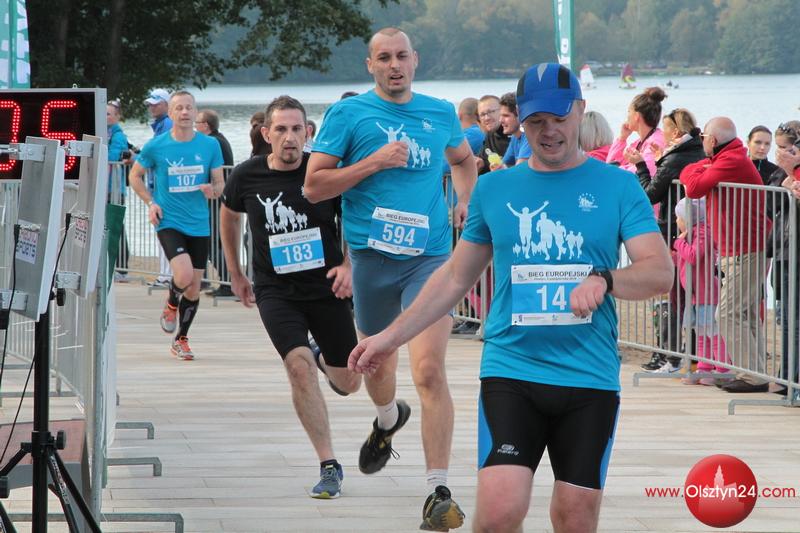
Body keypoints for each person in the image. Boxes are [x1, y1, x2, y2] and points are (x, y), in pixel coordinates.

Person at [347, 62, 673, 533]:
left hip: (589, 376)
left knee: (574, 517)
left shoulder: (617, 185)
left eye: (559, 118)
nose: (549, 131)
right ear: (521, 120)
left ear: (580, 111)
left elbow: (659, 272)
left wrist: (605, 279)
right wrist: (388, 338)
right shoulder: (495, 188)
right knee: (498, 515)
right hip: (512, 370)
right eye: (536, 121)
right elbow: (454, 277)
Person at [304, 27, 477, 531]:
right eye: (384, 57)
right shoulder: (348, 115)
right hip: (372, 261)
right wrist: (373, 162)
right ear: (371, 65)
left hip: (429, 259)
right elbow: (313, 187)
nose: (394, 65)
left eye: (402, 56)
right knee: (376, 367)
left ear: (415, 60)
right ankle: (387, 419)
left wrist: (466, 200)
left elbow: (463, 160)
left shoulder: (440, 113)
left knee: (429, 371)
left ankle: (438, 491)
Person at [220, 95, 364, 499]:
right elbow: (228, 215)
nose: (289, 137)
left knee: (349, 382)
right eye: (281, 129)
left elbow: (356, 218)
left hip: (326, 288)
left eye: (297, 129)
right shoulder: (246, 176)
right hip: (275, 290)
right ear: (266, 134)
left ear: (308, 132)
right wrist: (235, 272)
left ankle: (320, 355)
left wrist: (349, 265)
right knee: (297, 367)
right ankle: (329, 465)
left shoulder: (324, 173)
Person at [128, 90, 225, 361]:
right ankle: (171, 304)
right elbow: (135, 176)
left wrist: (213, 190)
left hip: (199, 224)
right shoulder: (157, 146)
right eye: (179, 108)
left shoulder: (210, 146)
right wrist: (151, 203)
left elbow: (220, 183)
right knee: (183, 275)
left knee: (194, 288)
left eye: (189, 108)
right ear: (170, 113)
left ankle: (181, 339)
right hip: (168, 220)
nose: (184, 112)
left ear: (195, 112)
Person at [680, 117, 772, 393]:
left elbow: (693, 187)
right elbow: (691, 173)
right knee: (743, 313)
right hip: (738, 248)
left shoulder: (731, 159)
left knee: (728, 313)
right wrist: (699, 169)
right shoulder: (727, 158)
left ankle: (751, 376)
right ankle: (754, 373)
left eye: (704, 137)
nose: (702, 141)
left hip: (744, 248)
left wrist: (697, 170)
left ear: (713, 139)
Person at [630, 108, 704, 372]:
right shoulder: (698, 151)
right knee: (691, 294)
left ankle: (669, 355)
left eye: (667, 129)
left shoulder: (676, 158)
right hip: (690, 229)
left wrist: (641, 165)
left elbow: (649, 193)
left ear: (675, 131)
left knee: (669, 294)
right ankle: (690, 355)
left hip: (672, 230)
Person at [671, 197, 730, 385]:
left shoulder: (703, 232)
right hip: (695, 293)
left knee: (713, 332)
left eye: (678, 217)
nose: (676, 221)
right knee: (701, 332)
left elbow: (694, 256)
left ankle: (723, 369)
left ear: (688, 218)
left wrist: (678, 243)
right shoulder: (692, 233)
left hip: (706, 292)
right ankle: (704, 367)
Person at [772, 122, 800, 397]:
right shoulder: (780, 172)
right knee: (786, 316)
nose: (781, 154)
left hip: (793, 249)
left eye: (787, 149)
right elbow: (771, 204)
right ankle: (787, 376)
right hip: (784, 249)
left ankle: (791, 378)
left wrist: (792, 173)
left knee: (793, 318)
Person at [196, 109, 235, 297]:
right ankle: (225, 282)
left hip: (216, 198)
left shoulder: (214, 142)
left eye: (197, 123)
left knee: (213, 243)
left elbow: (209, 169)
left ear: (206, 125)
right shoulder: (219, 139)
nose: (195, 127)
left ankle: (229, 283)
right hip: (218, 197)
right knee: (214, 242)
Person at [144, 88, 175, 287]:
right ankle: (165, 275)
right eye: (150, 104)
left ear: (166, 105)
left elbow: (163, 154)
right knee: (161, 230)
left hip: (165, 188)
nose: (152, 108)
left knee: (165, 230)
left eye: (156, 104)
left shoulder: (167, 124)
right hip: (159, 187)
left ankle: (167, 276)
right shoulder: (160, 125)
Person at [606, 87, 666, 176]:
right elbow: (610, 164)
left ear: (636, 116)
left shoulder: (656, 142)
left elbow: (644, 172)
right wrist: (622, 138)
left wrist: (617, 169)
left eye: (629, 111)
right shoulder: (639, 143)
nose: (627, 116)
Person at [107, 99, 131, 282]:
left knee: (117, 227)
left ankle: (122, 268)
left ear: (117, 116)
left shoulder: (118, 136)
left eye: (108, 114)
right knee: (108, 226)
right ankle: (113, 265)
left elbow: (112, 156)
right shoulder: (106, 133)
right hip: (106, 188)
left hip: (114, 189)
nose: (105, 116)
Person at [476, 94, 509, 174]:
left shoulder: (516, 133)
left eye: (491, 112)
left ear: (502, 110)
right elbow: (484, 160)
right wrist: (481, 164)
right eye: (482, 115)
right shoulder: (490, 136)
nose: (487, 118)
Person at [499, 92, 531, 167]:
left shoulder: (529, 136)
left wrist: (502, 169)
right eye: (500, 116)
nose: (500, 120)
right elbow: (502, 165)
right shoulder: (515, 137)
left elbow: (520, 169)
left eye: (506, 116)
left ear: (520, 115)